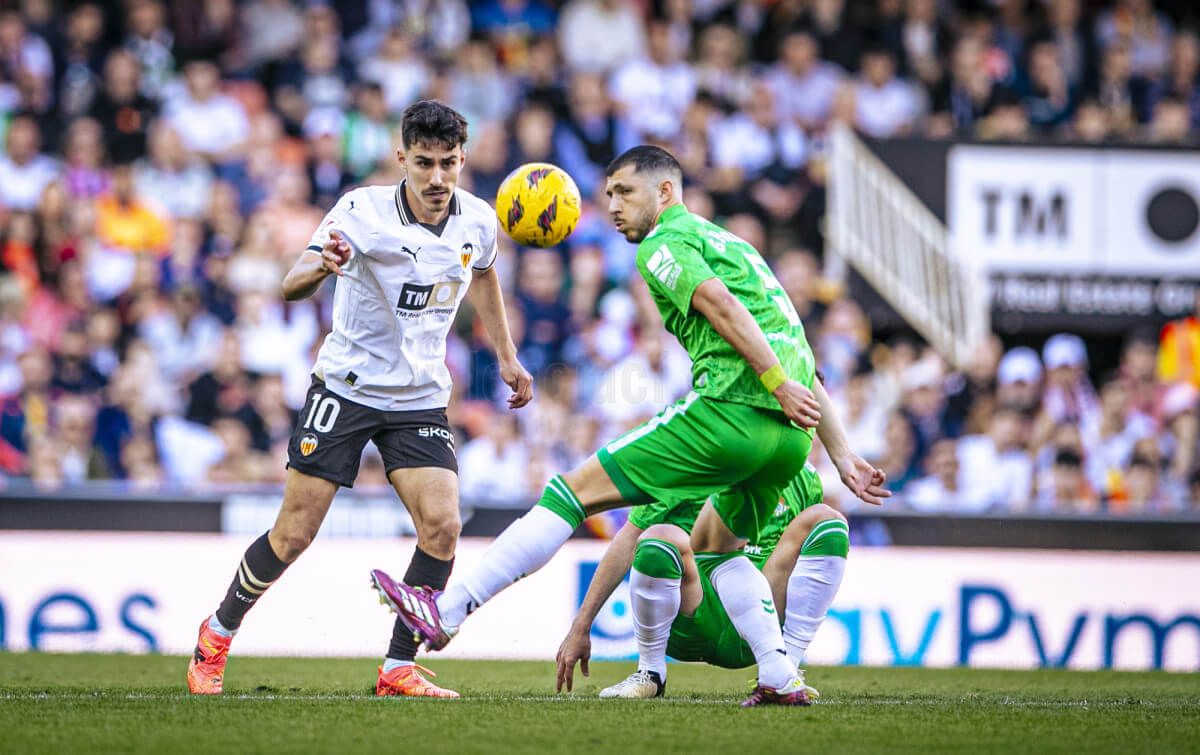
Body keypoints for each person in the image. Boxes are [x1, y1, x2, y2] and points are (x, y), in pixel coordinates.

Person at [375, 146, 885, 706]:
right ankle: (778, 672)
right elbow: (802, 354)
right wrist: (840, 453)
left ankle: (448, 611)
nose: (613, 206)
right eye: (609, 194)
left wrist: (771, 381)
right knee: (717, 552)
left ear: (665, 192)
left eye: (625, 192)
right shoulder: (738, 247)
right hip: (791, 439)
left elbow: (716, 304)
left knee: (570, 493)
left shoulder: (666, 243)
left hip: (734, 411)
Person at [185, 100, 533, 699]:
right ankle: (217, 632)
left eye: (448, 164)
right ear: (402, 158)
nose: (436, 179)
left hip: (420, 395)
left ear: (462, 160)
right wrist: (324, 263)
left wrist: (506, 355)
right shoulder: (360, 210)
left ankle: (397, 667)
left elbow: (484, 275)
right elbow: (290, 284)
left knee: (444, 527)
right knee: (293, 534)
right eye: (423, 163)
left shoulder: (477, 219)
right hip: (346, 387)